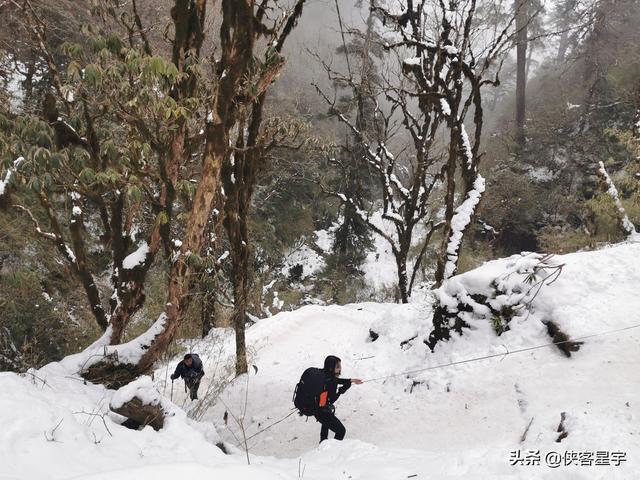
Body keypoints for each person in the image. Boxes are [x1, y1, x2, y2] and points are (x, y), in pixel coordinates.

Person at [315, 355, 363, 442]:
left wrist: (351, 380)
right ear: (331, 368)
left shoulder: (323, 374)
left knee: (325, 427)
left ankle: (322, 446)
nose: (340, 369)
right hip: (323, 411)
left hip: (318, 408)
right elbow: (332, 399)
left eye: (340, 366)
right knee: (341, 431)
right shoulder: (331, 382)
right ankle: (333, 451)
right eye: (337, 367)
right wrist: (342, 390)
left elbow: (337, 381)